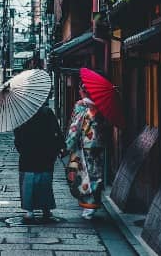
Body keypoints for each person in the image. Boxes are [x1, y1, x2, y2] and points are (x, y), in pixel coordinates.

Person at [14, 105, 64, 223]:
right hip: (45, 153)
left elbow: (17, 136)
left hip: (28, 154)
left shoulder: (22, 113)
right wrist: (57, 148)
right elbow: (56, 131)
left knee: (28, 182)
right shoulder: (47, 112)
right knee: (45, 182)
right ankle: (45, 209)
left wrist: (22, 149)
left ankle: (29, 211)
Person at [64, 83, 106, 220]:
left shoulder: (81, 105)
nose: (80, 91)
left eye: (81, 89)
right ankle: (93, 205)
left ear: (83, 91)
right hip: (97, 145)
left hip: (83, 146)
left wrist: (68, 144)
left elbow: (75, 127)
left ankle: (87, 207)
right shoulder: (99, 106)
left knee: (83, 175)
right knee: (96, 174)